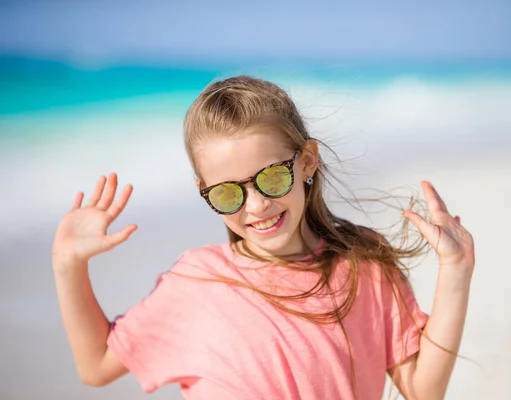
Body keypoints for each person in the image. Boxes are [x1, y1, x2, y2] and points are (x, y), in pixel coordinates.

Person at [52, 76, 475, 400]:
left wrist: (456, 271)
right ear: (205, 191)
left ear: (306, 161)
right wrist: (68, 266)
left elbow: (422, 389)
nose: (255, 206)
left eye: (271, 177)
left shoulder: (364, 266)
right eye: (227, 192)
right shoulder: (197, 282)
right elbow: (97, 365)